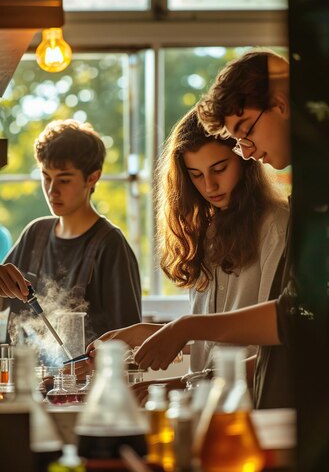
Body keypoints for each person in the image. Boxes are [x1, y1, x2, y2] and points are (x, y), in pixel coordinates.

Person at [82, 101, 289, 406]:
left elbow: (279, 347)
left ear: (246, 161)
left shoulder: (277, 227)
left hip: (253, 410)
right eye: (195, 174)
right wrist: (147, 333)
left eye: (219, 168)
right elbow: (217, 332)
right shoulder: (208, 232)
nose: (210, 186)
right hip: (207, 409)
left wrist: (185, 384)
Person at [0, 119, 141, 360]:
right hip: (25, 386)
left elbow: (129, 343)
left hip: (81, 392)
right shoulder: (34, 234)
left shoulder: (110, 245)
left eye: (64, 180)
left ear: (92, 178)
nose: (52, 190)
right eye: (46, 177)